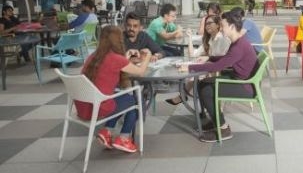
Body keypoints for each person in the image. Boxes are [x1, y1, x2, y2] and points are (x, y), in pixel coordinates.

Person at [182, 11, 259, 142]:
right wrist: (209, 57)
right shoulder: (238, 42)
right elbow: (227, 58)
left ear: (232, 27)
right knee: (204, 84)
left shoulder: (239, 46)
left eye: (223, 26)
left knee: (206, 89)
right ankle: (216, 120)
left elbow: (217, 67)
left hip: (246, 87)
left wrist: (189, 67)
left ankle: (223, 129)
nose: (221, 29)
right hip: (242, 80)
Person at [78, 25, 151, 153]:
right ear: (118, 40)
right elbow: (140, 72)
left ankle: (107, 131)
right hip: (99, 107)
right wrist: (148, 57)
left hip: (84, 106)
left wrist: (124, 58)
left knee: (124, 100)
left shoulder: (93, 56)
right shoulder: (116, 59)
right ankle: (123, 138)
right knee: (136, 100)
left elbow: (109, 69)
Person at [166, 14, 231, 106]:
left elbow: (221, 60)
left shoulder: (222, 39)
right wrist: (190, 38)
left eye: (210, 23)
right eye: (206, 24)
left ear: (217, 25)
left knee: (193, 73)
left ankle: (183, 96)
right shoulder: (209, 40)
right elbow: (193, 54)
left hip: (218, 71)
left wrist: (206, 59)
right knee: (190, 70)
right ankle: (185, 96)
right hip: (210, 69)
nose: (207, 26)